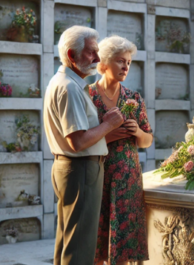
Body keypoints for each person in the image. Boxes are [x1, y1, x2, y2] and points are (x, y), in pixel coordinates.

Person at [43, 26, 125, 265]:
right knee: (80, 246)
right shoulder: (69, 88)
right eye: (91, 53)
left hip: (71, 169)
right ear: (71, 55)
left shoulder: (62, 82)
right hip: (81, 170)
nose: (98, 59)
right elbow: (77, 141)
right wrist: (109, 124)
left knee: (69, 241)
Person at [89, 36, 153, 265]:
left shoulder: (133, 98)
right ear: (104, 63)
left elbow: (147, 141)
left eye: (128, 62)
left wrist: (137, 131)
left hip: (127, 181)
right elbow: (80, 140)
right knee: (95, 243)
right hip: (96, 178)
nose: (126, 66)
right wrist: (107, 135)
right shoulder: (88, 96)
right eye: (120, 61)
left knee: (124, 247)